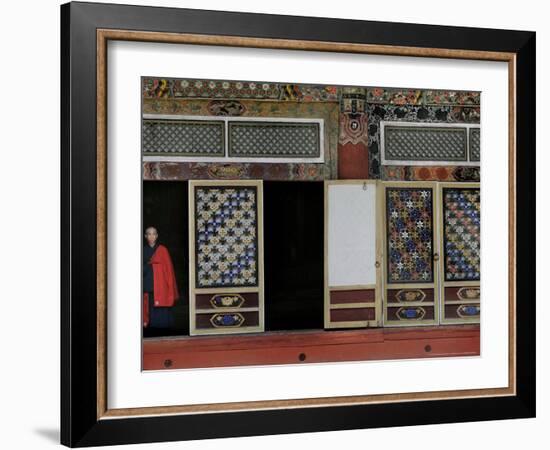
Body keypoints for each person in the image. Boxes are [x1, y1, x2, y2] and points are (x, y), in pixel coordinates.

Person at [143, 226, 179, 328]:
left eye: (154, 234)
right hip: (149, 285)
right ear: (145, 236)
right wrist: (150, 266)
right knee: (149, 311)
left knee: (162, 313)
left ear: (157, 236)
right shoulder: (142, 250)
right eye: (149, 234)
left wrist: (169, 286)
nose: (151, 236)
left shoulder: (163, 250)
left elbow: (169, 270)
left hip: (161, 286)